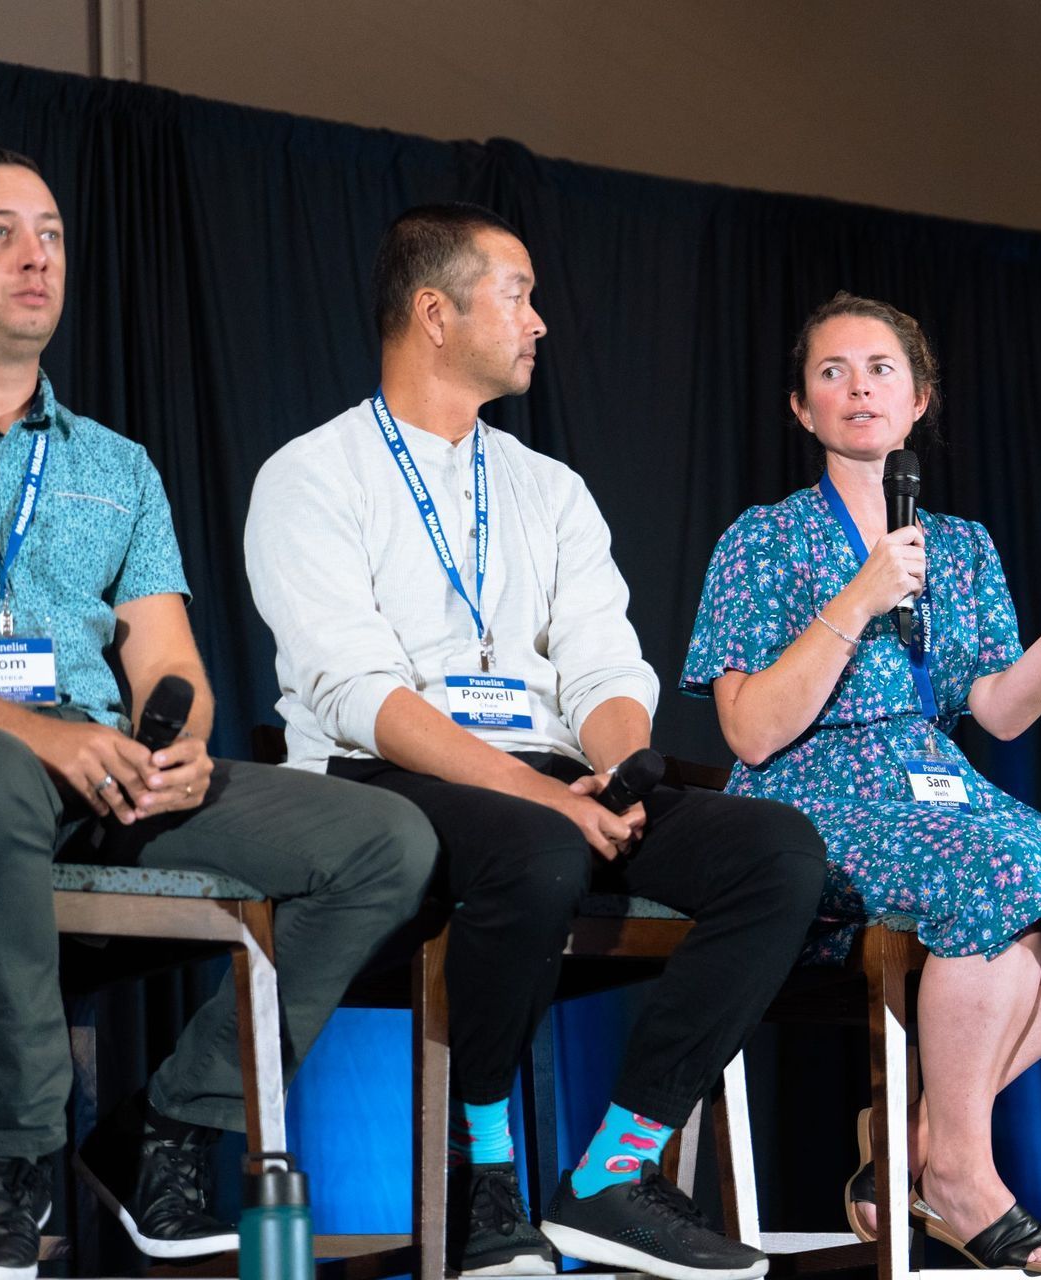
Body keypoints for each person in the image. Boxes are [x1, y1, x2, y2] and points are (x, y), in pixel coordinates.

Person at [244, 202, 826, 1280]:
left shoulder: (547, 487)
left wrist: (621, 759)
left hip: (552, 774)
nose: (540, 320)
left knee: (780, 852)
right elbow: (356, 688)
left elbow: (603, 662)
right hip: (389, 777)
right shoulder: (313, 473)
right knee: (540, 847)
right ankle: (485, 1169)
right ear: (434, 311)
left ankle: (614, 1168)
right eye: (517, 293)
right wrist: (544, 795)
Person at [0, 147, 438, 1280]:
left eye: (53, 232)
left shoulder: (115, 465)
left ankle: (172, 1123)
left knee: (389, 839)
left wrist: (177, 740)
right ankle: (17, 1161)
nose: (37, 254)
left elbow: (167, 653)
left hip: (104, 767)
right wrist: (47, 738)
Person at [680, 292, 1041, 1273]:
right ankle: (960, 1174)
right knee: (991, 873)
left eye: (879, 369)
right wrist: (860, 596)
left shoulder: (965, 544)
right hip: (810, 790)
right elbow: (750, 726)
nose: (857, 386)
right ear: (799, 407)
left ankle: (911, 1139)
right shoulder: (763, 538)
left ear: (919, 402)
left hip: (939, 782)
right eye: (831, 372)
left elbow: (998, 710)